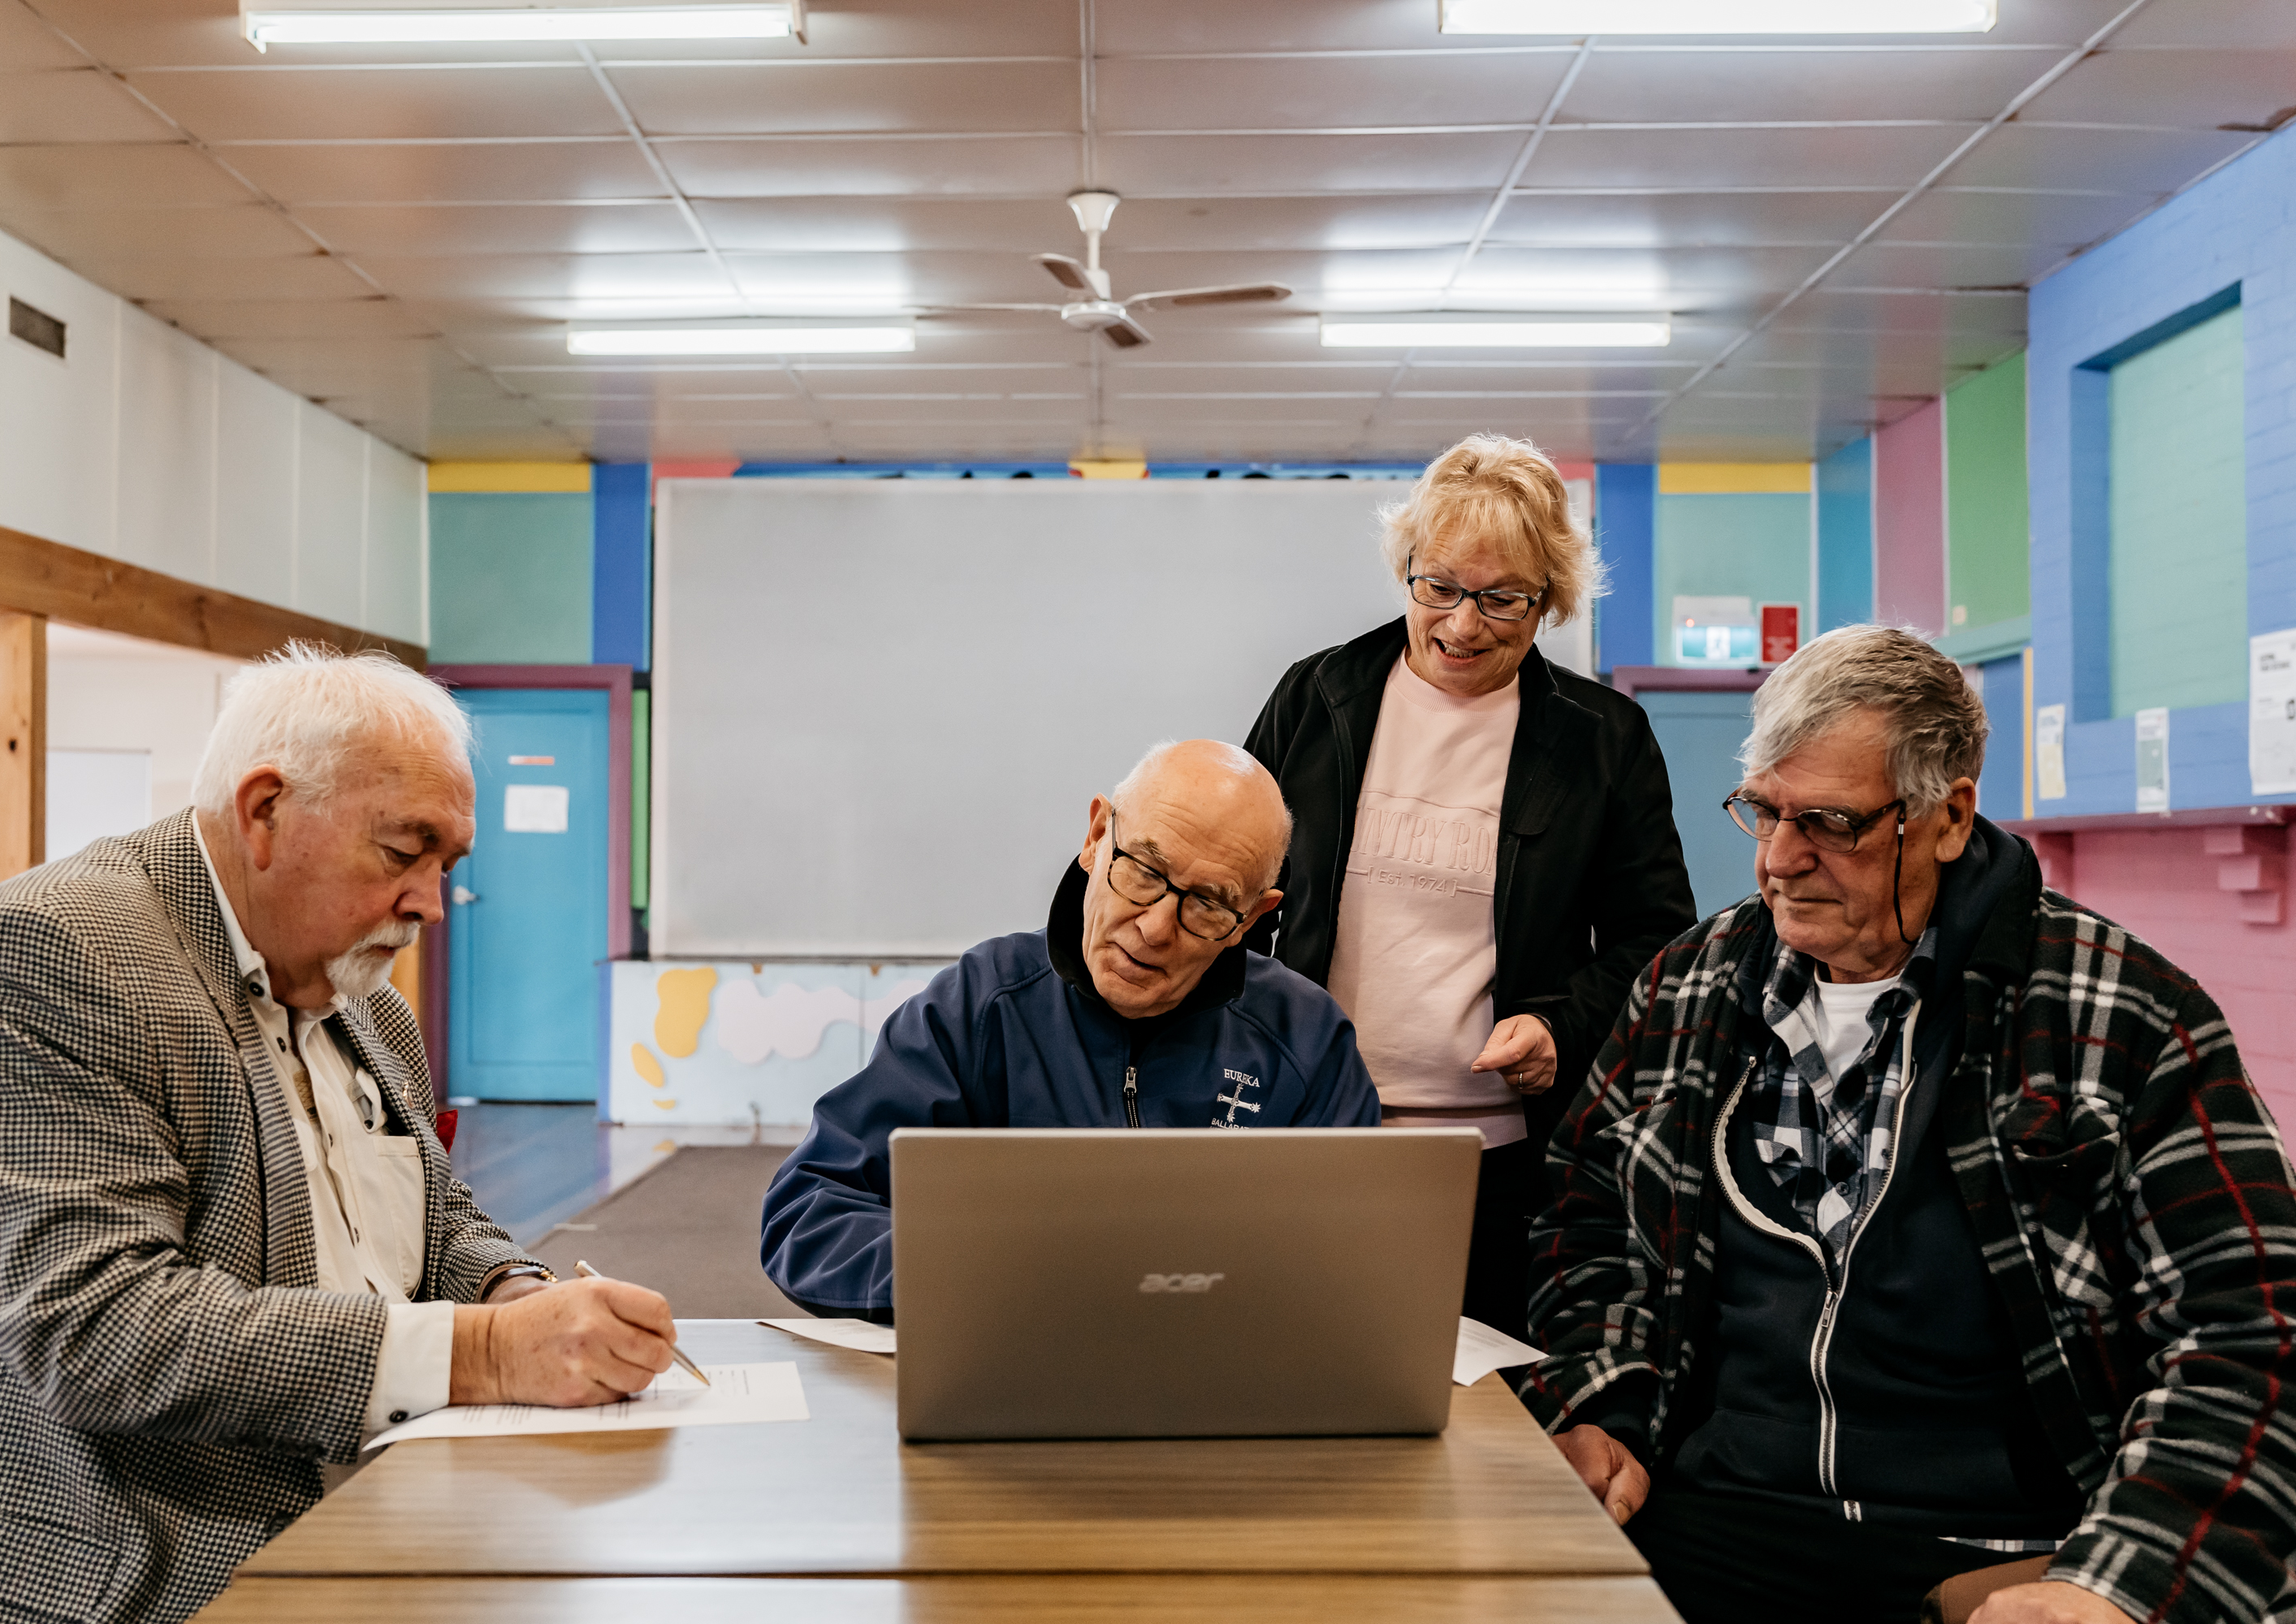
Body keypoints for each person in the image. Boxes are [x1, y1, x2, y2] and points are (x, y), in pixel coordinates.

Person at [0, 646, 682, 1623]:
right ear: (264, 812)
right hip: (114, 1574)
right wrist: (491, 1352)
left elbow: (434, 1214)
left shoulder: (360, 995)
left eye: (447, 864)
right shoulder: (50, 952)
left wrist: (515, 1290)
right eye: (402, 849)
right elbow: (92, 1328)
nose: (429, 900)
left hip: (363, 1507)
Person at [1524, 625, 2296, 1624]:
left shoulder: (2120, 1012)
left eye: (1830, 825)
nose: (1777, 860)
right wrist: (1605, 1402)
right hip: (1715, 1514)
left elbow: (2251, 1328)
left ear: (1946, 815)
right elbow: (1592, 1225)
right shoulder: (1691, 985)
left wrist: (2116, 1581)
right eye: (1763, 811)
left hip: (2012, 1547)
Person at [1243, 434, 1697, 1337]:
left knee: (1480, 1412)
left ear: (1549, 601)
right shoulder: (1318, 696)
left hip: (1500, 1164)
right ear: (1407, 567)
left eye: (1502, 600)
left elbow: (1657, 942)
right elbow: (1234, 883)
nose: (1461, 625)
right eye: (1439, 587)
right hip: (1311, 1132)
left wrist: (1561, 1029)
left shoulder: (1601, 740)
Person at [762, 739, 1381, 1320]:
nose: (1157, 928)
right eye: (1143, 870)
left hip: (1233, 1388)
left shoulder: (1306, 1041)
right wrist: (973, 1280)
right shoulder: (982, 1005)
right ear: (1096, 837)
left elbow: (1363, 1258)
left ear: (1252, 917)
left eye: (1209, 904)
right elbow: (809, 1211)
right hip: (1006, 1361)